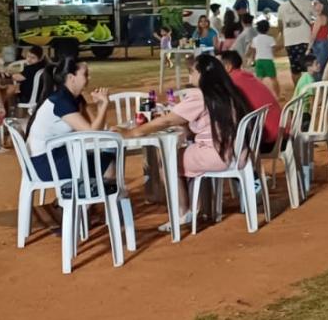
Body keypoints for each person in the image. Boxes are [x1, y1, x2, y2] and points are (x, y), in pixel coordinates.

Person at [118, 54, 255, 230]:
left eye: (192, 72)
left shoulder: (200, 96)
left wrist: (133, 132)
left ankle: (182, 212)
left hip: (217, 154)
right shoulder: (227, 90)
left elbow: (167, 121)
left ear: (202, 74)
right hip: (237, 152)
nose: (189, 77)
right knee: (186, 151)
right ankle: (197, 208)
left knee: (167, 162)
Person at [22, 56, 113, 182]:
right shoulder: (61, 101)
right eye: (85, 74)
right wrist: (105, 106)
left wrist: (100, 106)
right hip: (44, 163)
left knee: (105, 157)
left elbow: (97, 128)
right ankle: (107, 198)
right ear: (71, 78)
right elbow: (92, 132)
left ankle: (90, 197)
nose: (89, 78)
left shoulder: (75, 98)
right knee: (107, 160)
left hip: (56, 155)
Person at [217, 50, 282, 150]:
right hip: (280, 132)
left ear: (228, 67)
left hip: (265, 139)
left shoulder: (230, 83)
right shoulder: (248, 77)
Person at [279, 0, 315, 82]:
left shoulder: (282, 6)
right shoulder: (308, 3)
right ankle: (310, 90)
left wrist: (283, 37)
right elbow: (316, 17)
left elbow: (280, 24)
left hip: (290, 41)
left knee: (295, 70)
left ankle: (298, 91)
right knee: (309, 67)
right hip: (306, 40)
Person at [247, 19, 281, 98]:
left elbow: (253, 50)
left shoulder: (255, 39)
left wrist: (252, 59)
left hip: (258, 60)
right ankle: (277, 95)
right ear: (268, 28)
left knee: (259, 79)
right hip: (268, 60)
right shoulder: (270, 39)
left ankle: (258, 94)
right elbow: (274, 49)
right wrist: (280, 46)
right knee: (273, 79)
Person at [11, 44, 50, 110]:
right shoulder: (42, 66)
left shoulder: (31, 68)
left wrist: (10, 74)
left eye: (33, 58)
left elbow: (18, 77)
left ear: (39, 59)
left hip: (27, 97)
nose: (29, 59)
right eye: (28, 56)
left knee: (9, 91)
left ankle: (11, 110)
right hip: (39, 95)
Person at [310, 0, 328, 81]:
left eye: (315, 3)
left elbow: (313, 36)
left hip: (319, 45)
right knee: (323, 69)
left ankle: (319, 89)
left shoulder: (319, 18)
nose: (313, 6)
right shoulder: (327, 17)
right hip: (325, 44)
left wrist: (308, 48)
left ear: (321, 5)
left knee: (317, 70)